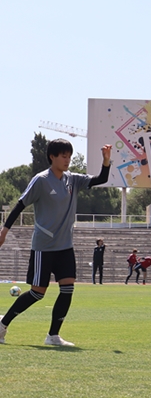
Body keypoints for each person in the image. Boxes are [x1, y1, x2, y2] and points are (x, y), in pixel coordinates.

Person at [0, 139, 112, 346]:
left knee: (68, 289)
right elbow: (20, 205)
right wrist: (4, 230)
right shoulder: (41, 180)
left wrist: (106, 161)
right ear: (52, 156)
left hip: (65, 246)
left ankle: (53, 336)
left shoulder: (73, 179)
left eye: (69, 156)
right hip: (44, 246)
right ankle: (2, 325)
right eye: (63, 155)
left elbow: (100, 179)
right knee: (37, 293)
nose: (67, 160)